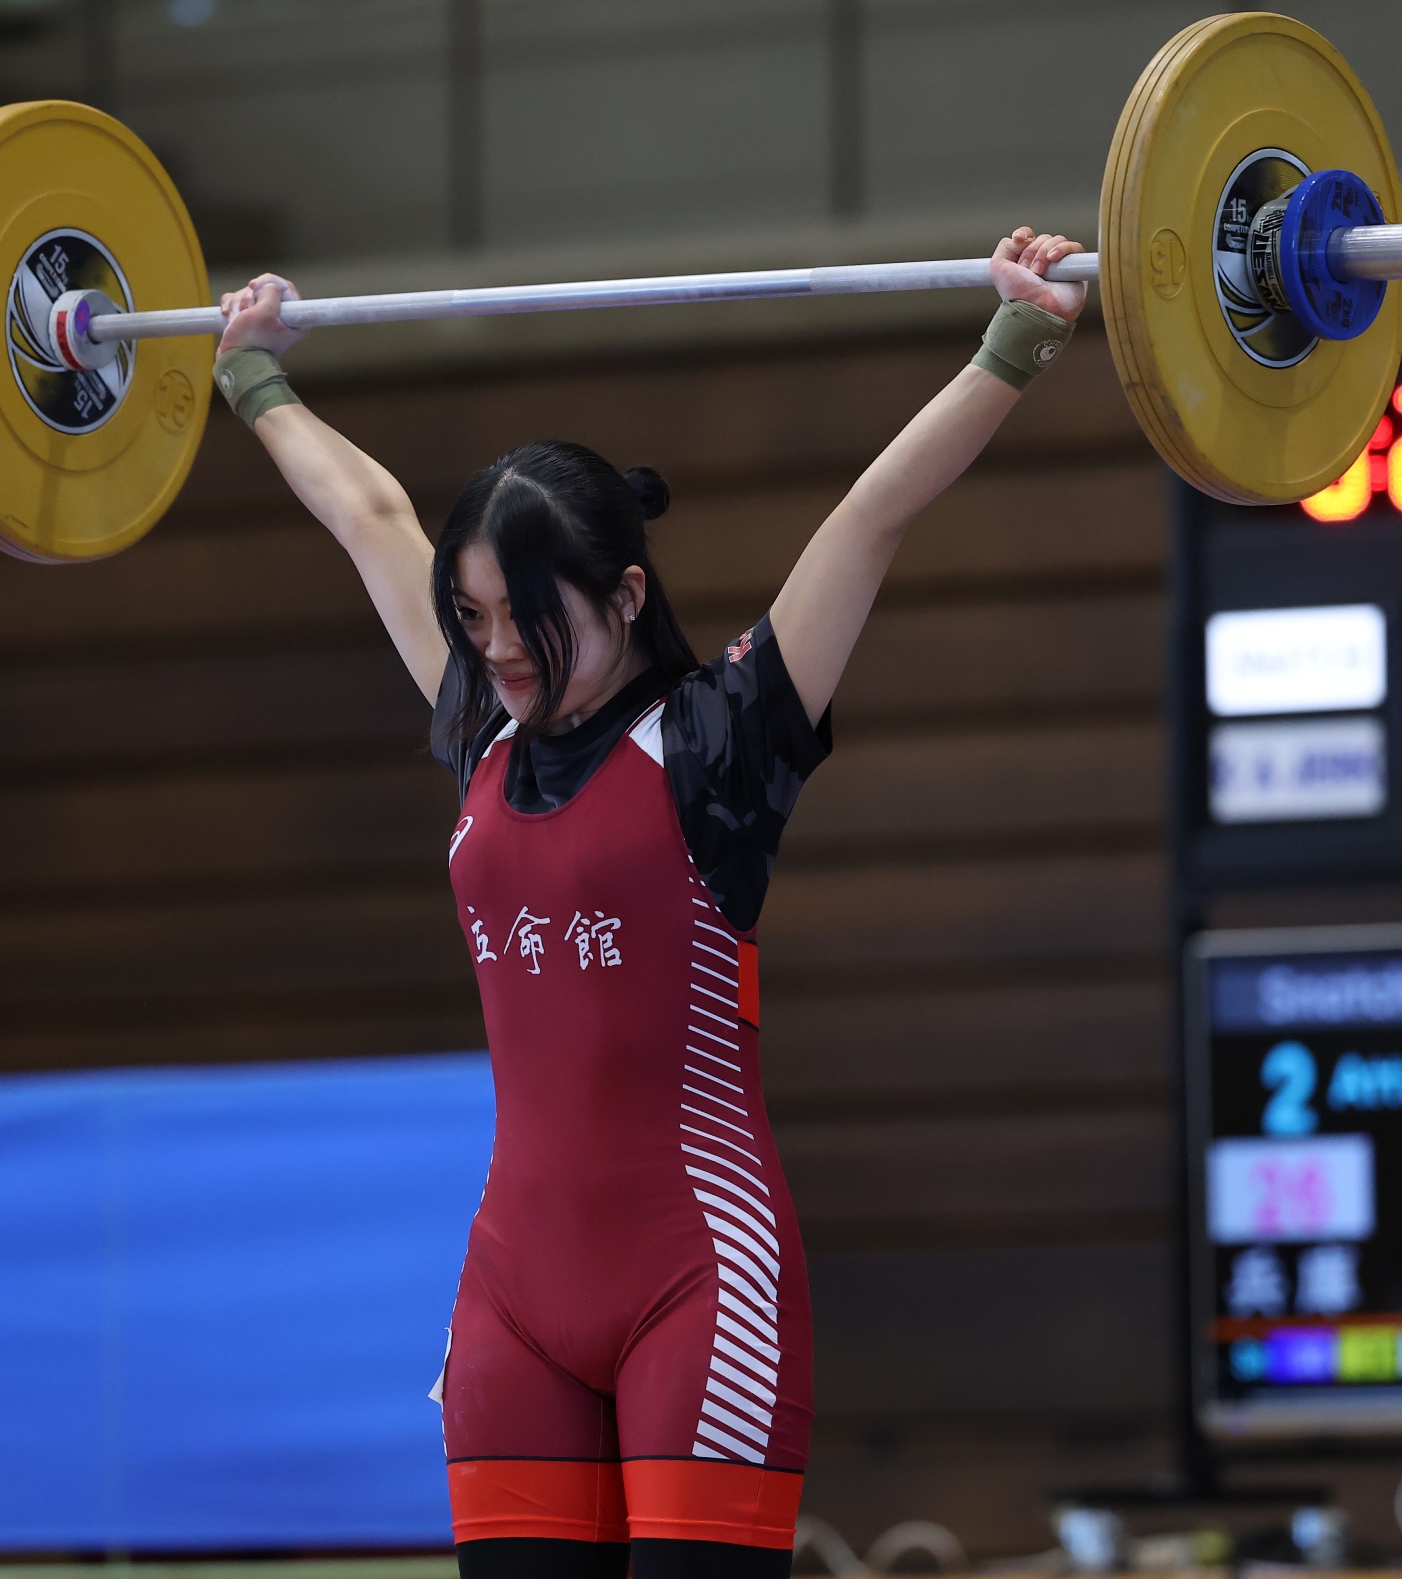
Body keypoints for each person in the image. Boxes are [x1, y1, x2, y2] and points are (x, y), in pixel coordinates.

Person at [211, 227, 1087, 1579]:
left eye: (528, 617)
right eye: (472, 618)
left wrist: (1014, 344)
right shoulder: (480, 729)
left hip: (700, 1283)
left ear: (626, 594)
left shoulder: (721, 739)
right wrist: (256, 379)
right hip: (512, 1294)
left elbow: (870, 516)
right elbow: (371, 518)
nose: (498, 649)